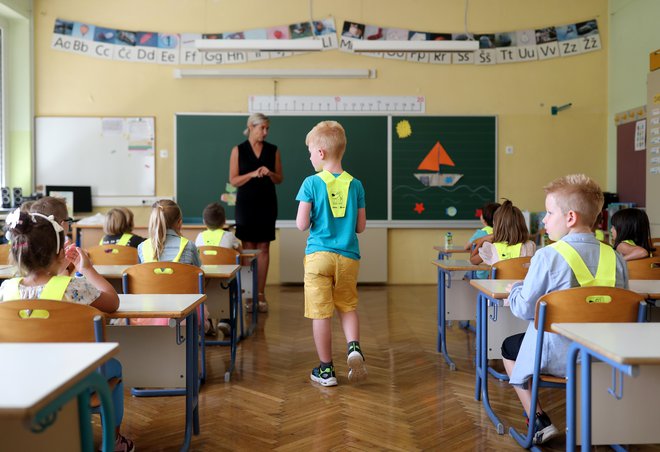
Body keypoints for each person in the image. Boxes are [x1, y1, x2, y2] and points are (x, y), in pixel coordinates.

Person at [501, 174, 628, 445]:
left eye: (548, 212)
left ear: (570, 217)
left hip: (556, 357)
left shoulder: (547, 256)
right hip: (605, 356)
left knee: (508, 349)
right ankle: (602, 421)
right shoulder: (616, 258)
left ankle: (537, 420)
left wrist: (514, 290)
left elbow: (524, 309)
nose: (544, 220)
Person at [0, 209, 134, 452]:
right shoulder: (74, 287)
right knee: (115, 368)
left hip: (19, 380)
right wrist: (88, 269)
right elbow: (112, 303)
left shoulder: (6, 290)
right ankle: (114, 442)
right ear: (60, 253)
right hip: (72, 380)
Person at [295, 120, 367, 387]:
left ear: (321, 153)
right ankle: (353, 347)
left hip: (318, 257)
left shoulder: (311, 183)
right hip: (348, 257)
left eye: (311, 152)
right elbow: (360, 227)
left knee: (321, 313)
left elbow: (302, 224)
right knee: (347, 306)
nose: (310, 156)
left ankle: (326, 370)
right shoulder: (356, 184)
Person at [229, 113, 283, 313]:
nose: (266, 132)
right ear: (251, 127)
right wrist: (252, 174)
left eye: (267, 128)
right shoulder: (238, 150)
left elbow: (280, 178)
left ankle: (260, 294)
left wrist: (270, 174)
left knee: (264, 249)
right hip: (246, 205)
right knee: (247, 249)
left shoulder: (273, 150)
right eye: (263, 128)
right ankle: (248, 294)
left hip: (267, 204)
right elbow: (234, 180)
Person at [136, 200, 205, 328]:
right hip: (183, 310)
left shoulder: (142, 247)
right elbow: (198, 273)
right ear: (179, 222)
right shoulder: (188, 246)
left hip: (149, 312)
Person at [470, 199, 536, 266]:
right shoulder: (530, 245)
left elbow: (472, 260)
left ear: (496, 225)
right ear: (522, 224)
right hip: (522, 277)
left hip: (500, 277)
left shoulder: (490, 248)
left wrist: (482, 240)